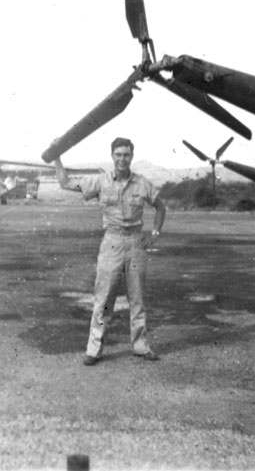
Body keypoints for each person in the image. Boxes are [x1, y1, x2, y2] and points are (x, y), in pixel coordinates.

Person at [51, 137, 166, 365]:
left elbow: (160, 206)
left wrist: (155, 233)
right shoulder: (100, 181)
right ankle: (94, 349)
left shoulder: (143, 183)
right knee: (103, 298)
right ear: (112, 156)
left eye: (126, 154)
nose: (122, 159)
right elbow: (65, 183)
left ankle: (140, 346)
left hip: (135, 243)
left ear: (132, 156)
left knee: (138, 297)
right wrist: (57, 157)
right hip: (111, 242)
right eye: (118, 154)